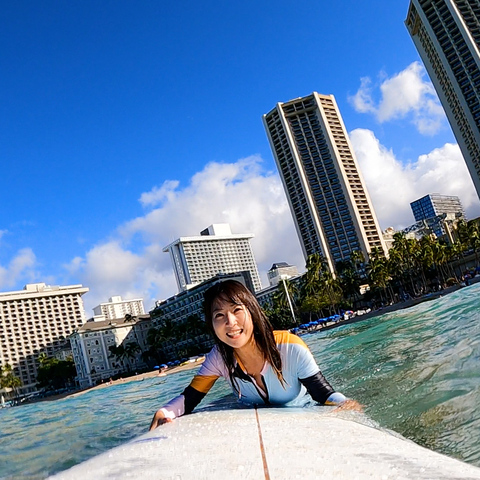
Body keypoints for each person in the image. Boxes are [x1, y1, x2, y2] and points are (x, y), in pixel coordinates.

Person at [149, 280, 361, 430]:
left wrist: (345, 404)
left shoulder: (289, 347)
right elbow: (190, 398)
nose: (230, 322)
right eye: (219, 315)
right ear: (212, 325)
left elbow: (324, 394)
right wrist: (164, 413)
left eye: (237, 310)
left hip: (299, 412)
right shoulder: (219, 357)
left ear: (252, 311)